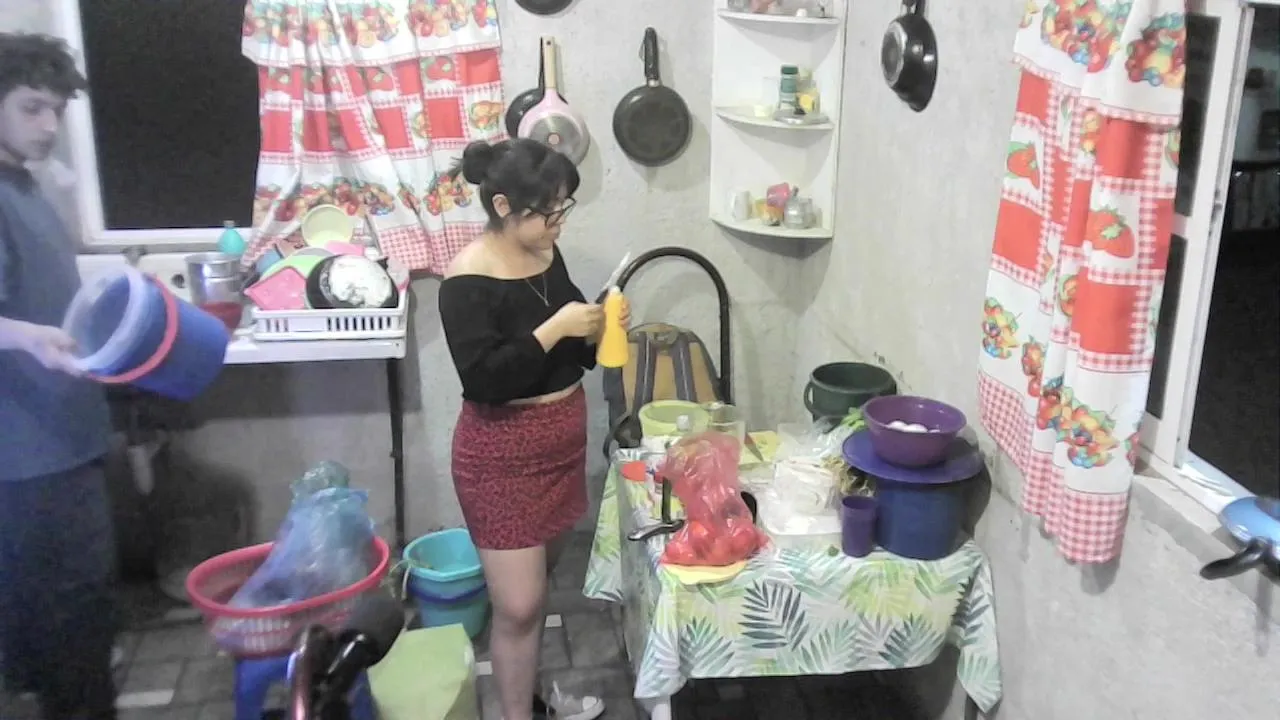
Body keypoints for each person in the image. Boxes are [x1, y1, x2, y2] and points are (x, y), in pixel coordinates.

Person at [438, 138, 628, 720]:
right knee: (518, 607)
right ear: (503, 206)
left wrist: (598, 325)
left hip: (559, 445)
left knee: (537, 590)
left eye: (563, 207)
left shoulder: (547, 254)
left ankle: (534, 697)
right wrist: (555, 328)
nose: (558, 223)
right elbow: (485, 378)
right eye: (549, 212)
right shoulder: (465, 279)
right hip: (500, 455)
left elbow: (569, 354)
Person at [0, 32, 118, 719]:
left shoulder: (24, 186)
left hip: (65, 437)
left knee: (75, 610)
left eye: (57, 109)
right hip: (27, 456)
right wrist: (28, 337)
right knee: (69, 609)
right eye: (31, 108)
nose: (49, 125)